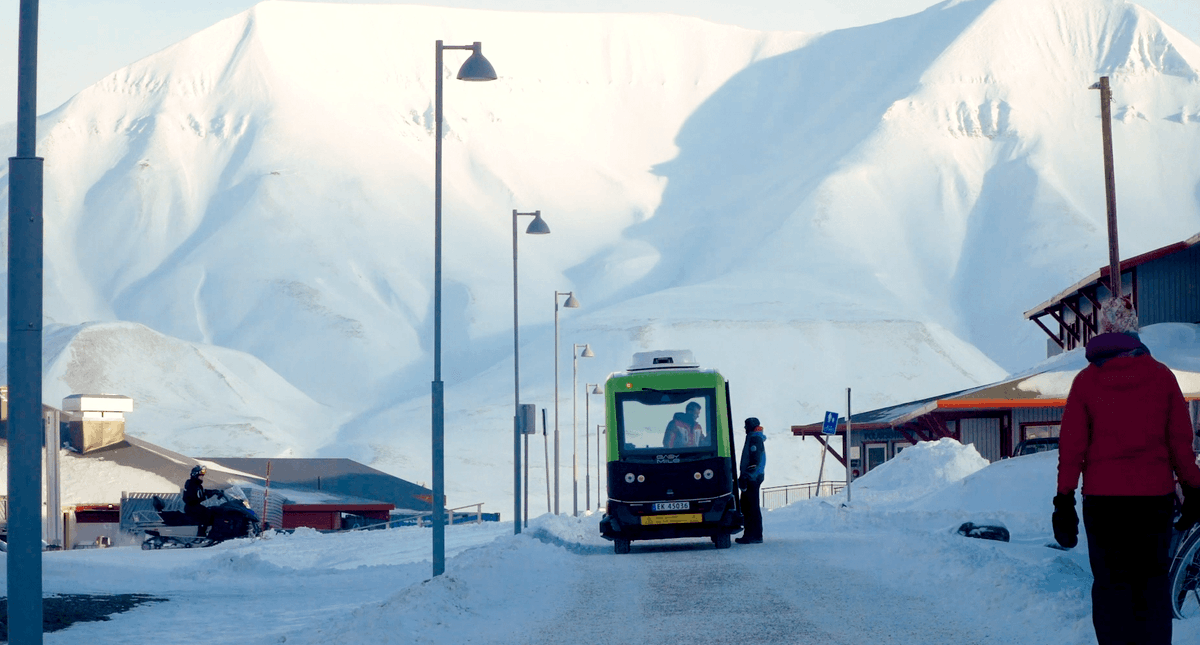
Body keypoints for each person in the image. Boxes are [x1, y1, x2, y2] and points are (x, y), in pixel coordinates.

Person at [1054, 297, 1200, 645]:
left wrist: (1064, 500)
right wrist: (1193, 489)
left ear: (1104, 329)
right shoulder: (1162, 377)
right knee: (1151, 588)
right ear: (1134, 328)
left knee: (1110, 588)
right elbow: (1180, 442)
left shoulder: (1086, 383)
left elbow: (1071, 448)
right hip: (1153, 503)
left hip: (1103, 505)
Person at [736, 417, 766, 544]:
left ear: (750, 426)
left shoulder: (754, 438)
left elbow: (754, 461)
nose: (744, 428)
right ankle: (755, 534)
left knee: (749, 507)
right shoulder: (756, 437)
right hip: (754, 477)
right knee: (751, 506)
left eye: (746, 426)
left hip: (752, 478)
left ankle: (752, 535)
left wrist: (745, 476)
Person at [183, 464, 224, 533]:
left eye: (202, 476)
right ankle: (202, 532)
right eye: (200, 476)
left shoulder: (197, 485)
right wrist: (206, 496)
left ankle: (210, 529)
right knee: (207, 513)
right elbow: (196, 496)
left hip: (194, 506)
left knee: (213, 510)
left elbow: (203, 492)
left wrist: (214, 491)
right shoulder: (191, 484)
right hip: (191, 507)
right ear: (195, 475)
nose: (201, 478)